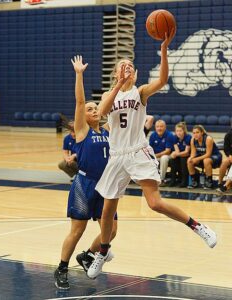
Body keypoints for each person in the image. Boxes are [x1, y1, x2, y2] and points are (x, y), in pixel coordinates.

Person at [86, 30, 217, 280]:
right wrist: (117, 84)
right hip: (117, 156)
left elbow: (163, 80)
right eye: (122, 66)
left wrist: (165, 49)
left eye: (131, 67)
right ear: (115, 73)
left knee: (155, 203)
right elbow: (102, 112)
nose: (127, 69)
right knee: (106, 213)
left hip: (137, 152)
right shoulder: (109, 95)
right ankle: (101, 253)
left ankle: (199, 227)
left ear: (135, 74)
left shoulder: (141, 92)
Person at [54, 56, 117, 290]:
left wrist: (119, 82)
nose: (93, 110)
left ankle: (88, 255)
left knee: (112, 231)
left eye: (95, 108)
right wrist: (79, 74)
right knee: (77, 230)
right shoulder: (82, 132)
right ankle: (61, 267)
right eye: (90, 109)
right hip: (85, 185)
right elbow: (80, 102)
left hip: (107, 186)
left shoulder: (110, 131)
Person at [187, 125, 222, 189]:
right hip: (203, 157)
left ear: (202, 133)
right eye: (194, 133)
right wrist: (191, 158)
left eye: (197, 132)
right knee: (189, 161)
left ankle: (209, 182)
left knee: (206, 160)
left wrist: (197, 158)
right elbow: (193, 153)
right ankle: (194, 181)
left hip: (215, 156)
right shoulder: (192, 140)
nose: (195, 134)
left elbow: (208, 154)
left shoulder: (208, 139)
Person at [149, 119, 174, 186]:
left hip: (168, 156)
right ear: (155, 127)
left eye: (161, 126)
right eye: (157, 127)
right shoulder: (153, 135)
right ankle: (148, 179)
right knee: (146, 157)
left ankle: (161, 179)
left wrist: (155, 155)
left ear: (165, 127)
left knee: (164, 158)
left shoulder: (169, 135)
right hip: (156, 156)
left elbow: (168, 151)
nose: (159, 128)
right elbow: (149, 149)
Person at [169, 122, 191, 187]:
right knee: (172, 160)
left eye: (180, 131)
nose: (178, 132)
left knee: (183, 159)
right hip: (180, 155)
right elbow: (177, 151)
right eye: (177, 131)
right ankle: (173, 180)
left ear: (184, 131)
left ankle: (184, 181)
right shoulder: (175, 137)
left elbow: (186, 152)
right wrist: (175, 154)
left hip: (188, 155)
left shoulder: (188, 137)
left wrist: (176, 154)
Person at [217, 127, 232, 193]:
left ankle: (226, 185)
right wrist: (229, 155)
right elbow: (226, 149)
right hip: (231, 156)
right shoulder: (228, 135)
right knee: (224, 162)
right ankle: (220, 183)